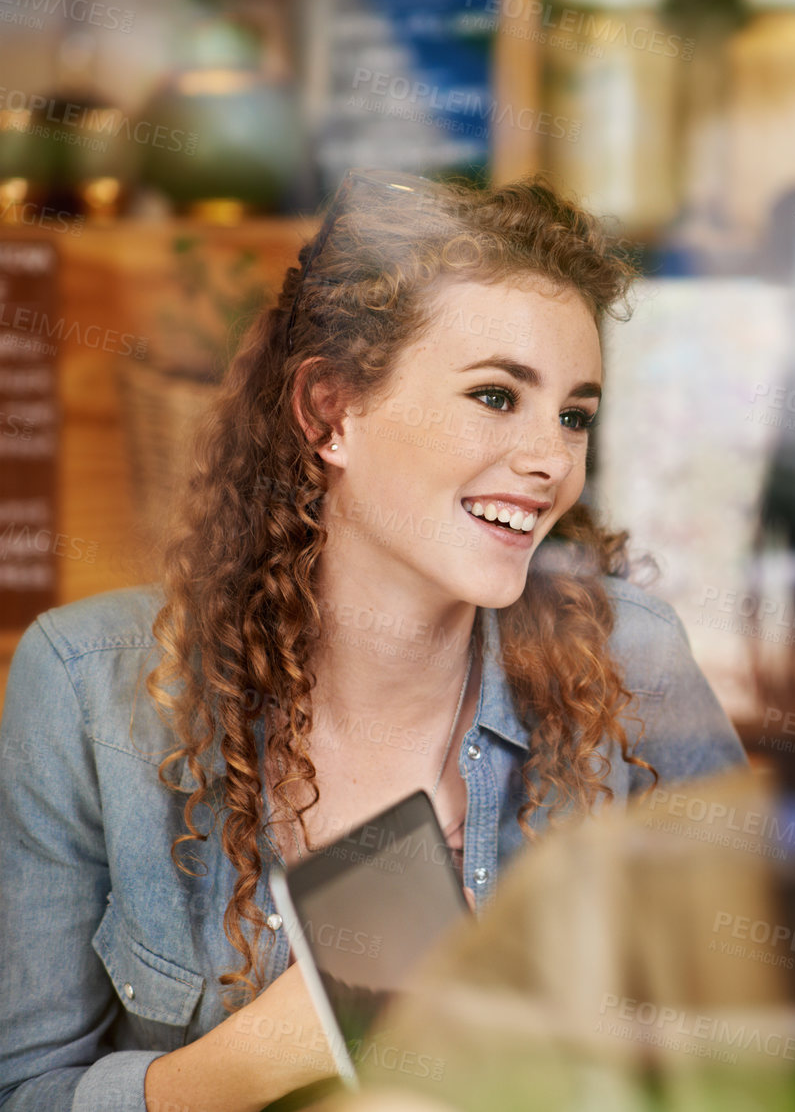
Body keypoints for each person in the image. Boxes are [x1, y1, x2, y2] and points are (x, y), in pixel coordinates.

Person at [0, 171, 748, 1111]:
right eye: (493, 396)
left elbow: (766, 1024)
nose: (551, 459)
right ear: (330, 412)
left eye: (573, 415)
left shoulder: (630, 659)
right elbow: (25, 1092)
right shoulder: (84, 689)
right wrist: (258, 1059)